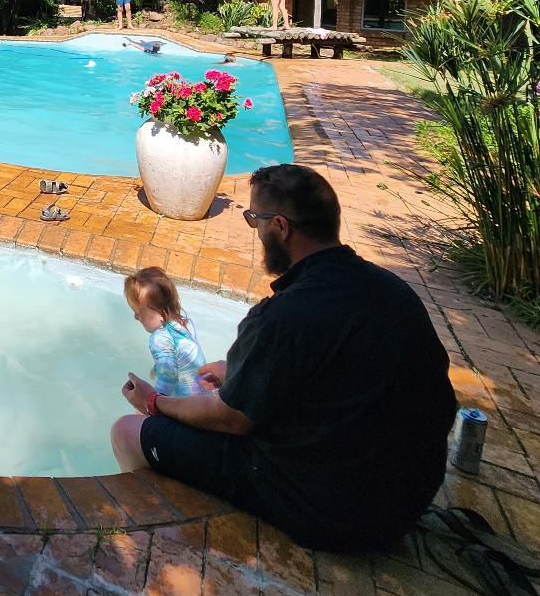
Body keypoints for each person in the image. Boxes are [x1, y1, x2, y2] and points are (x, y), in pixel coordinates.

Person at [109, 164, 456, 553]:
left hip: (331, 514)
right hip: (405, 502)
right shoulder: (393, 291)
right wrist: (240, 375)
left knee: (127, 430)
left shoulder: (283, 316)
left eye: (254, 219)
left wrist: (156, 402)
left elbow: (230, 419)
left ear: (280, 226)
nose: (255, 231)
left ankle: (156, 545)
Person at [125, 267, 209, 397]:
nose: (136, 317)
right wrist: (158, 368)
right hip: (204, 388)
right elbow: (177, 357)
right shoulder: (185, 322)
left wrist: (151, 404)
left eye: (139, 313)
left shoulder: (159, 339)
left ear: (161, 314)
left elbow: (168, 378)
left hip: (186, 400)